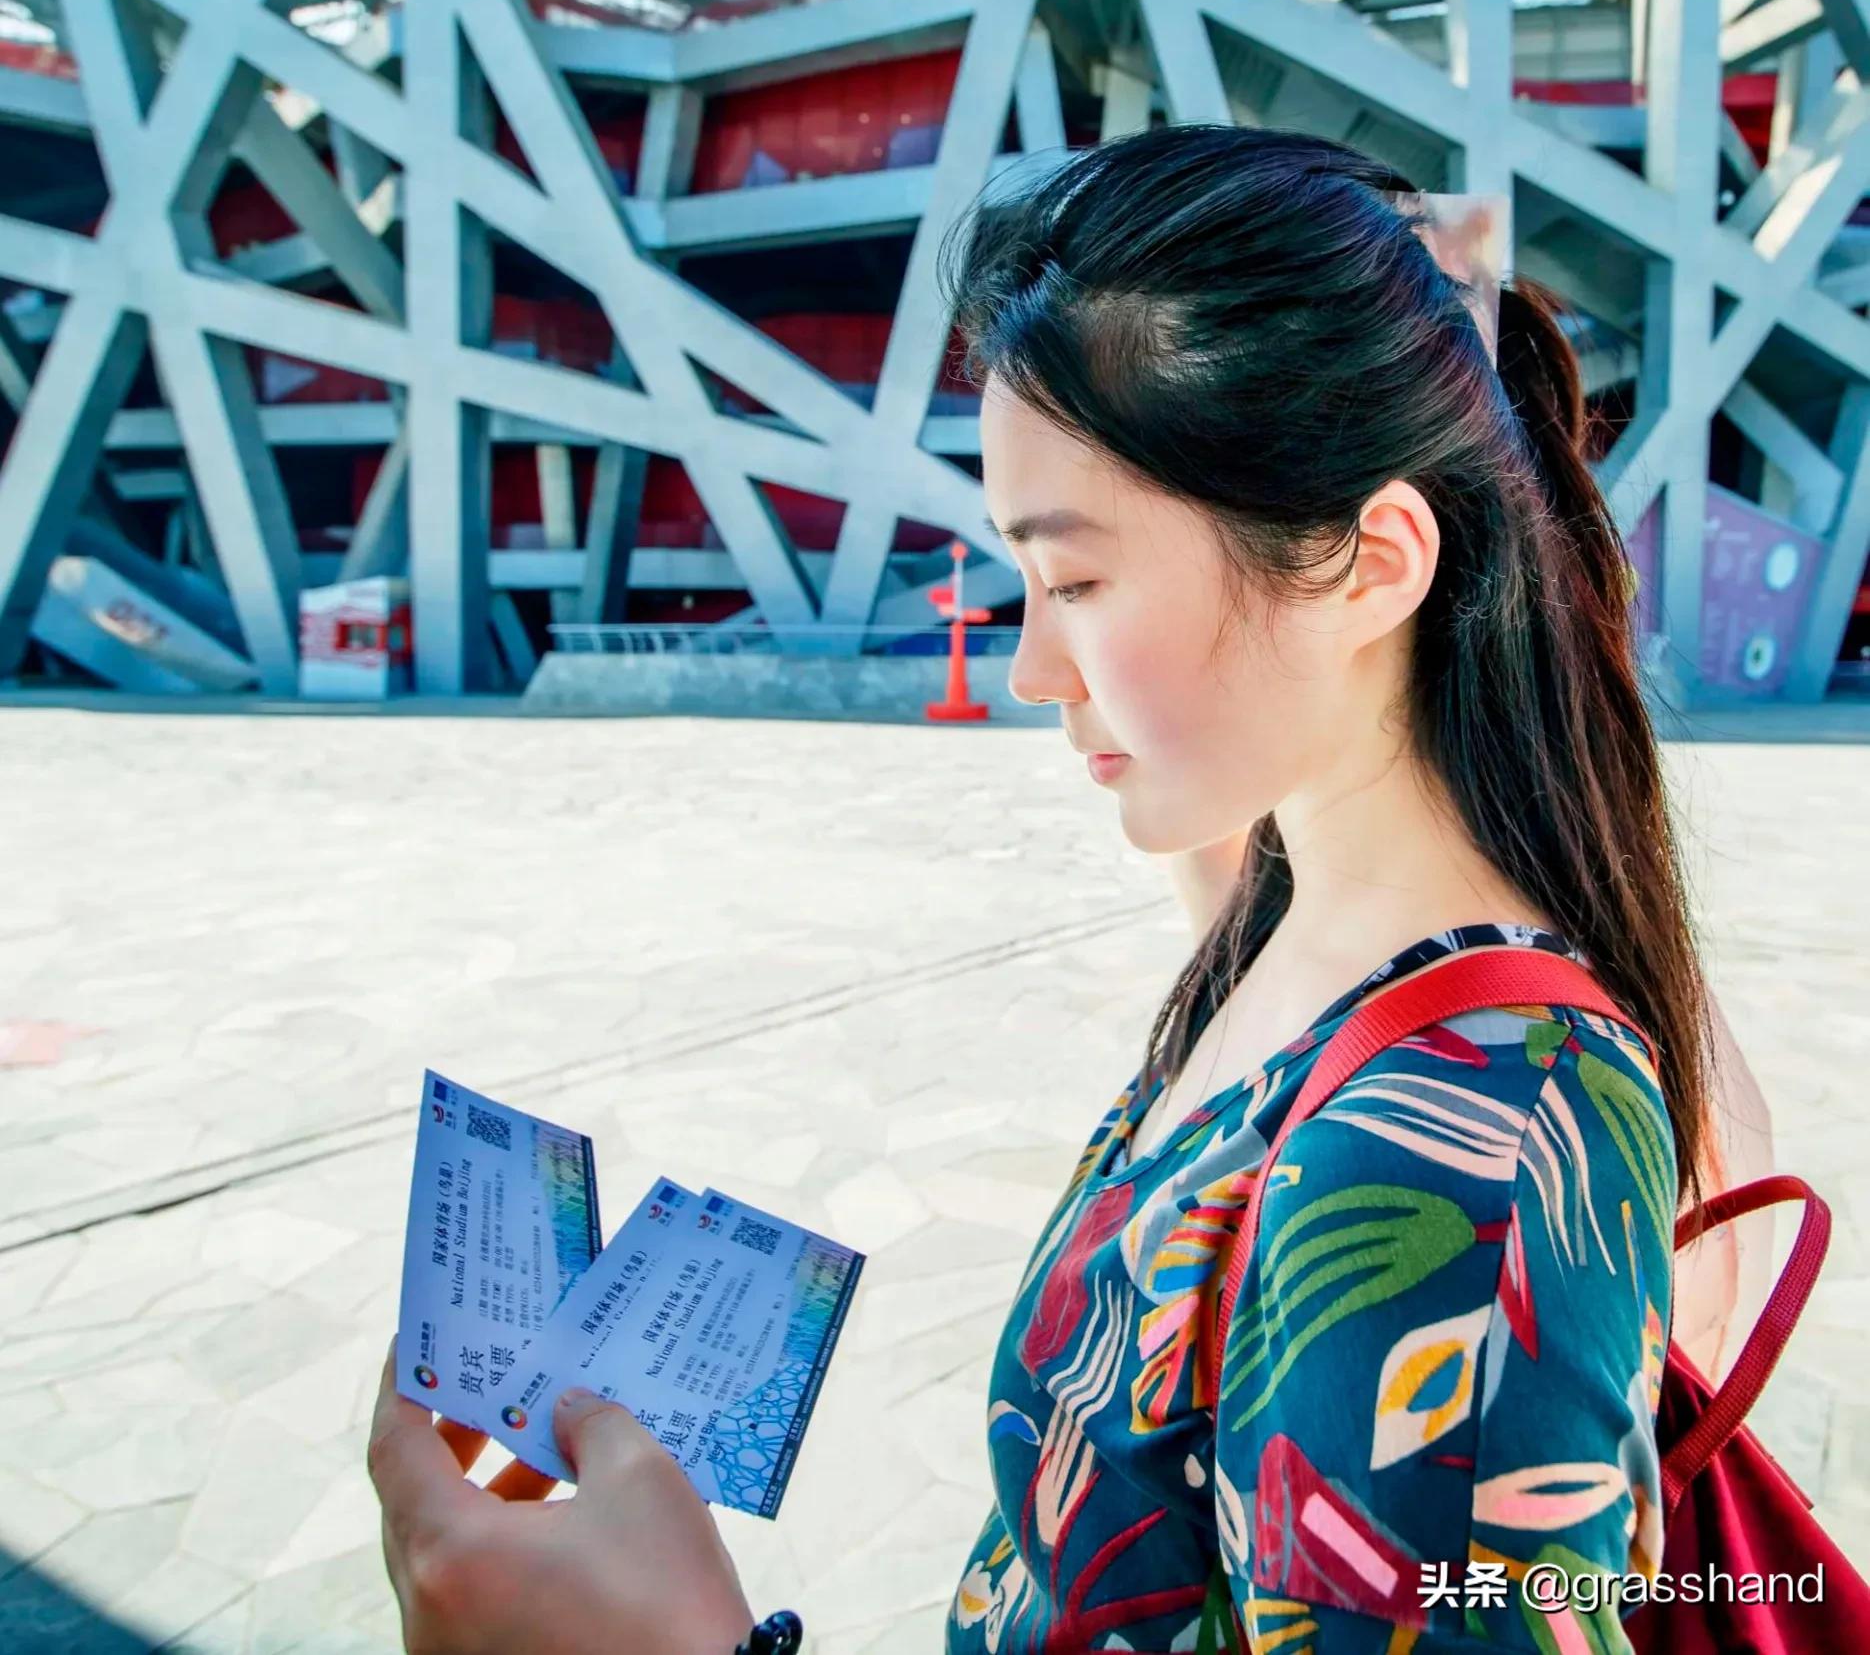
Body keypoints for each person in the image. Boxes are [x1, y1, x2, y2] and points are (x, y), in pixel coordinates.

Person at [369, 125, 1748, 1652]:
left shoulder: (1456, 1159)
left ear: (1368, 566)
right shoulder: (1290, 920)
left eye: (1076, 581)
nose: (1030, 669)